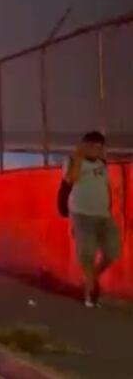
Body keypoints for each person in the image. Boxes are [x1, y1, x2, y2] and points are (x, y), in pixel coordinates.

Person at [64, 131, 120, 308]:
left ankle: (89, 278)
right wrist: (78, 157)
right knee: (87, 254)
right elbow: (71, 179)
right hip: (82, 214)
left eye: (100, 147)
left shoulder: (102, 164)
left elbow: (106, 186)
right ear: (85, 146)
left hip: (103, 214)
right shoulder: (72, 161)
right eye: (94, 146)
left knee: (112, 251)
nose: (98, 150)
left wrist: (108, 207)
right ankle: (90, 293)